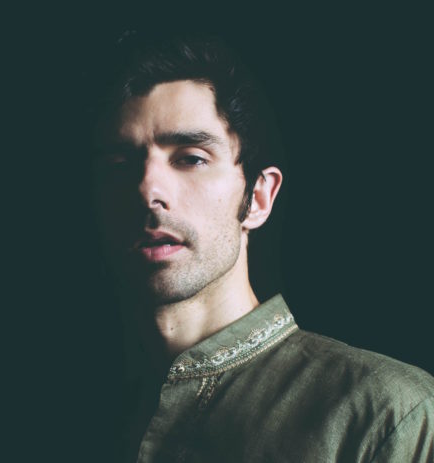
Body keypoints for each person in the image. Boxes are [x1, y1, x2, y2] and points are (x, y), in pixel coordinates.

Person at [88, 31, 434, 462]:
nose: (148, 190)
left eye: (191, 158)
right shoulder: (83, 411)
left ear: (257, 198)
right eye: (119, 165)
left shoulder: (388, 413)